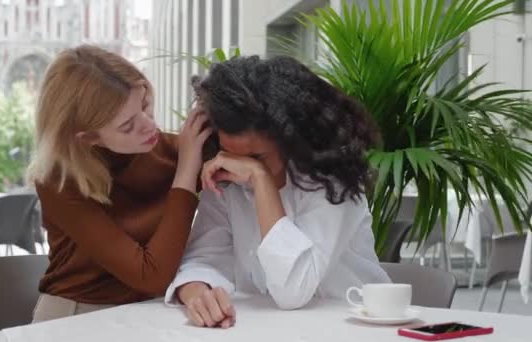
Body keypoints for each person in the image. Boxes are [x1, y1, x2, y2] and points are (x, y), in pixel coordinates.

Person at [165, 55, 390, 328]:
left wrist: (261, 181)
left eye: (256, 158)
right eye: (229, 153)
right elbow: (204, 259)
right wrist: (197, 293)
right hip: (268, 329)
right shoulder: (224, 177)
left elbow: (294, 290)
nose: (239, 168)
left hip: (351, 327)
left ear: (290, 140)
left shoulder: (331, 183)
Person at [28, 45, 211, 322]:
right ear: (88, 138)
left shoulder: (171, 148)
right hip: (77, 314)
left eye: (145, 104)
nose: (149, 125)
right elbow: (151, 276)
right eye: (127, 126)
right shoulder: (59, 179)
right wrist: (187, 170)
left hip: (154, 310)